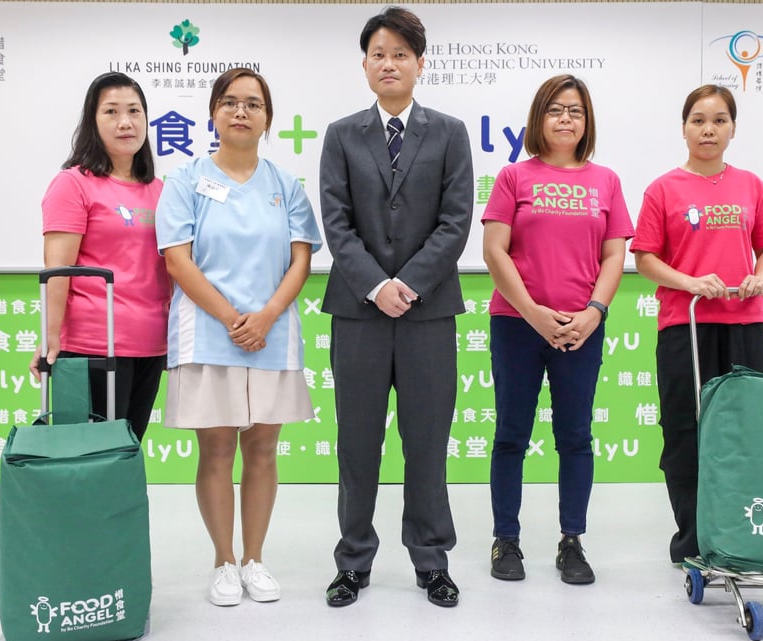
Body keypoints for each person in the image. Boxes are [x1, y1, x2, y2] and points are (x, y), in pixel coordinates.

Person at [319, 6, 474, 609]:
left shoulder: (450, 132)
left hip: (428, 313)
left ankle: (431, 560)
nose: (389, 63)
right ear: (365, 65)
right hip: (359, 314)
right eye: (378, 54)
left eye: (401, 54)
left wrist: (405, 283)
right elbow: (337, 222)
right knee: (357, 444)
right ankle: (353, 560)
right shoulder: (340, 134)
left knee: (427, 441)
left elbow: (455, 220)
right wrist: (375, 285)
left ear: (420, 64)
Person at [155, 68, 322, 607]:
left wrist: (267, 316)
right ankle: (223, 561)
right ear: (212, 115)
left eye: (253, 103)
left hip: (271, 336)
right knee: (217, 449)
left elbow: (301, 259)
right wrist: (232, 318)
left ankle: (254, 559)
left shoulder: (285, 186)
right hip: (207, 335)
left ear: (268, 118)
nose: (241, 111)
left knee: (264, 449)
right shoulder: (185, 181)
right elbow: (177, 261)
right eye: (229, 102)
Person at [482, 75, 634, 586]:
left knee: (575, 436)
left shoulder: (605, 181)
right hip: (517, 324)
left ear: (587, 121)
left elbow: (614, 256)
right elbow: (494, 251)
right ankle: (507, 539)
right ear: (537, 118)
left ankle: (572, 540)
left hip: (580, 327)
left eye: (575, 111)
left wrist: (593, 313)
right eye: (555, 110)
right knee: (511, 435)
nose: (565, 119)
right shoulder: (513, 178)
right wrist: (532, 313)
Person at [630, 84, 763, 564]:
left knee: (745, 431)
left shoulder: (751, 185)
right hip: (686, 326)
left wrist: (761, 277)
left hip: (744, 323)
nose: (708, 129)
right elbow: (646, 259)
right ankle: (693, 539)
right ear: (683, 128)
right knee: (685, 430)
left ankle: (743, 533)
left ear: (733, 128)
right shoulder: (663, 189)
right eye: (698, 120)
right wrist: (691, 282)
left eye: (719, 120)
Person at [31, 71, 169, 442]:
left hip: (151, 345)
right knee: (89, 456)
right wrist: (49, 336)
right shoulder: (73, 183)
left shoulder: (160, 190)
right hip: (94, 344)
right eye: (111, 112)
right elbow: (58, 269)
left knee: (125, 452)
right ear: (92, 122)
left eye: (134, 111)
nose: (125, 122)